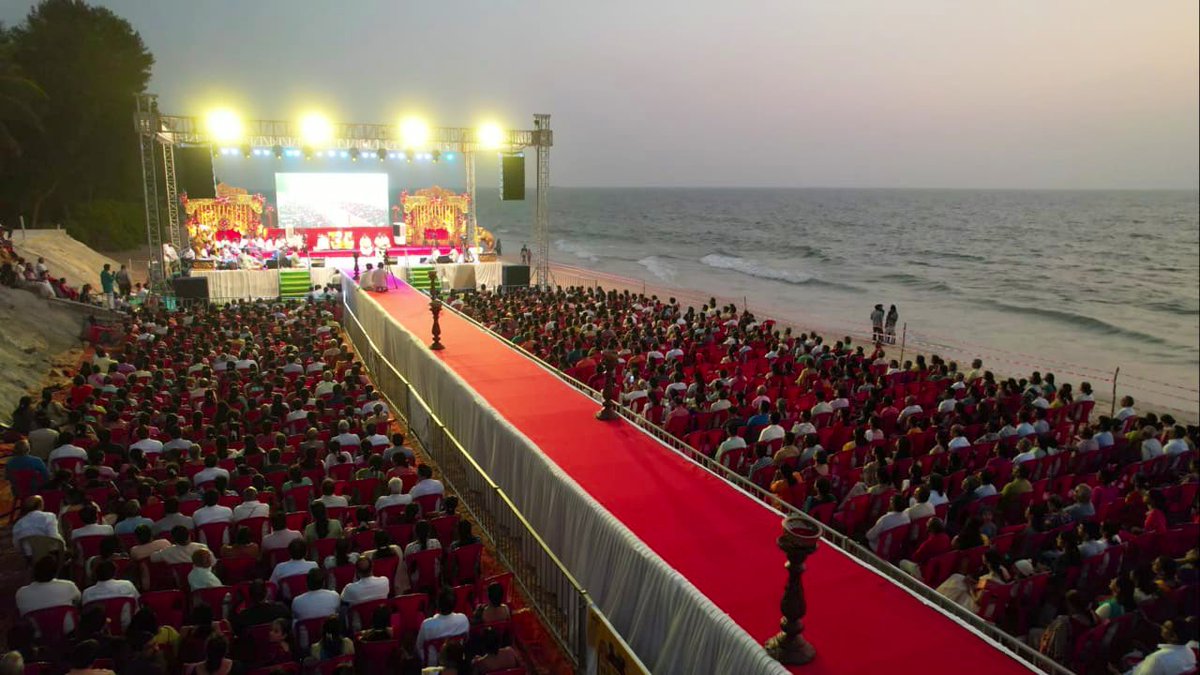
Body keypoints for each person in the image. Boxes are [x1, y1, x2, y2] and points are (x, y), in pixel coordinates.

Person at [416, 589, 470, 666]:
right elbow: (466, 640)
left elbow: (419, 647)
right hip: (459, 665)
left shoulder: (428, 624)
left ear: (437, 604)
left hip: (434, 669)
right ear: (454, 604)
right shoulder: (463, 619)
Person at [1123, 619, 1196, 675]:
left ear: (1174, 637)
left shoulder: (1158, 658)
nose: (1161, 627)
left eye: (1165, 627)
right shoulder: (1190, 651)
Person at [16, 555, 80, 617]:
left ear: (34, 572)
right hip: (68, 627)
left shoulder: (21, 593)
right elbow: (78, 601)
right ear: (55, 572)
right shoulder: (69, 586)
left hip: (36, 628)